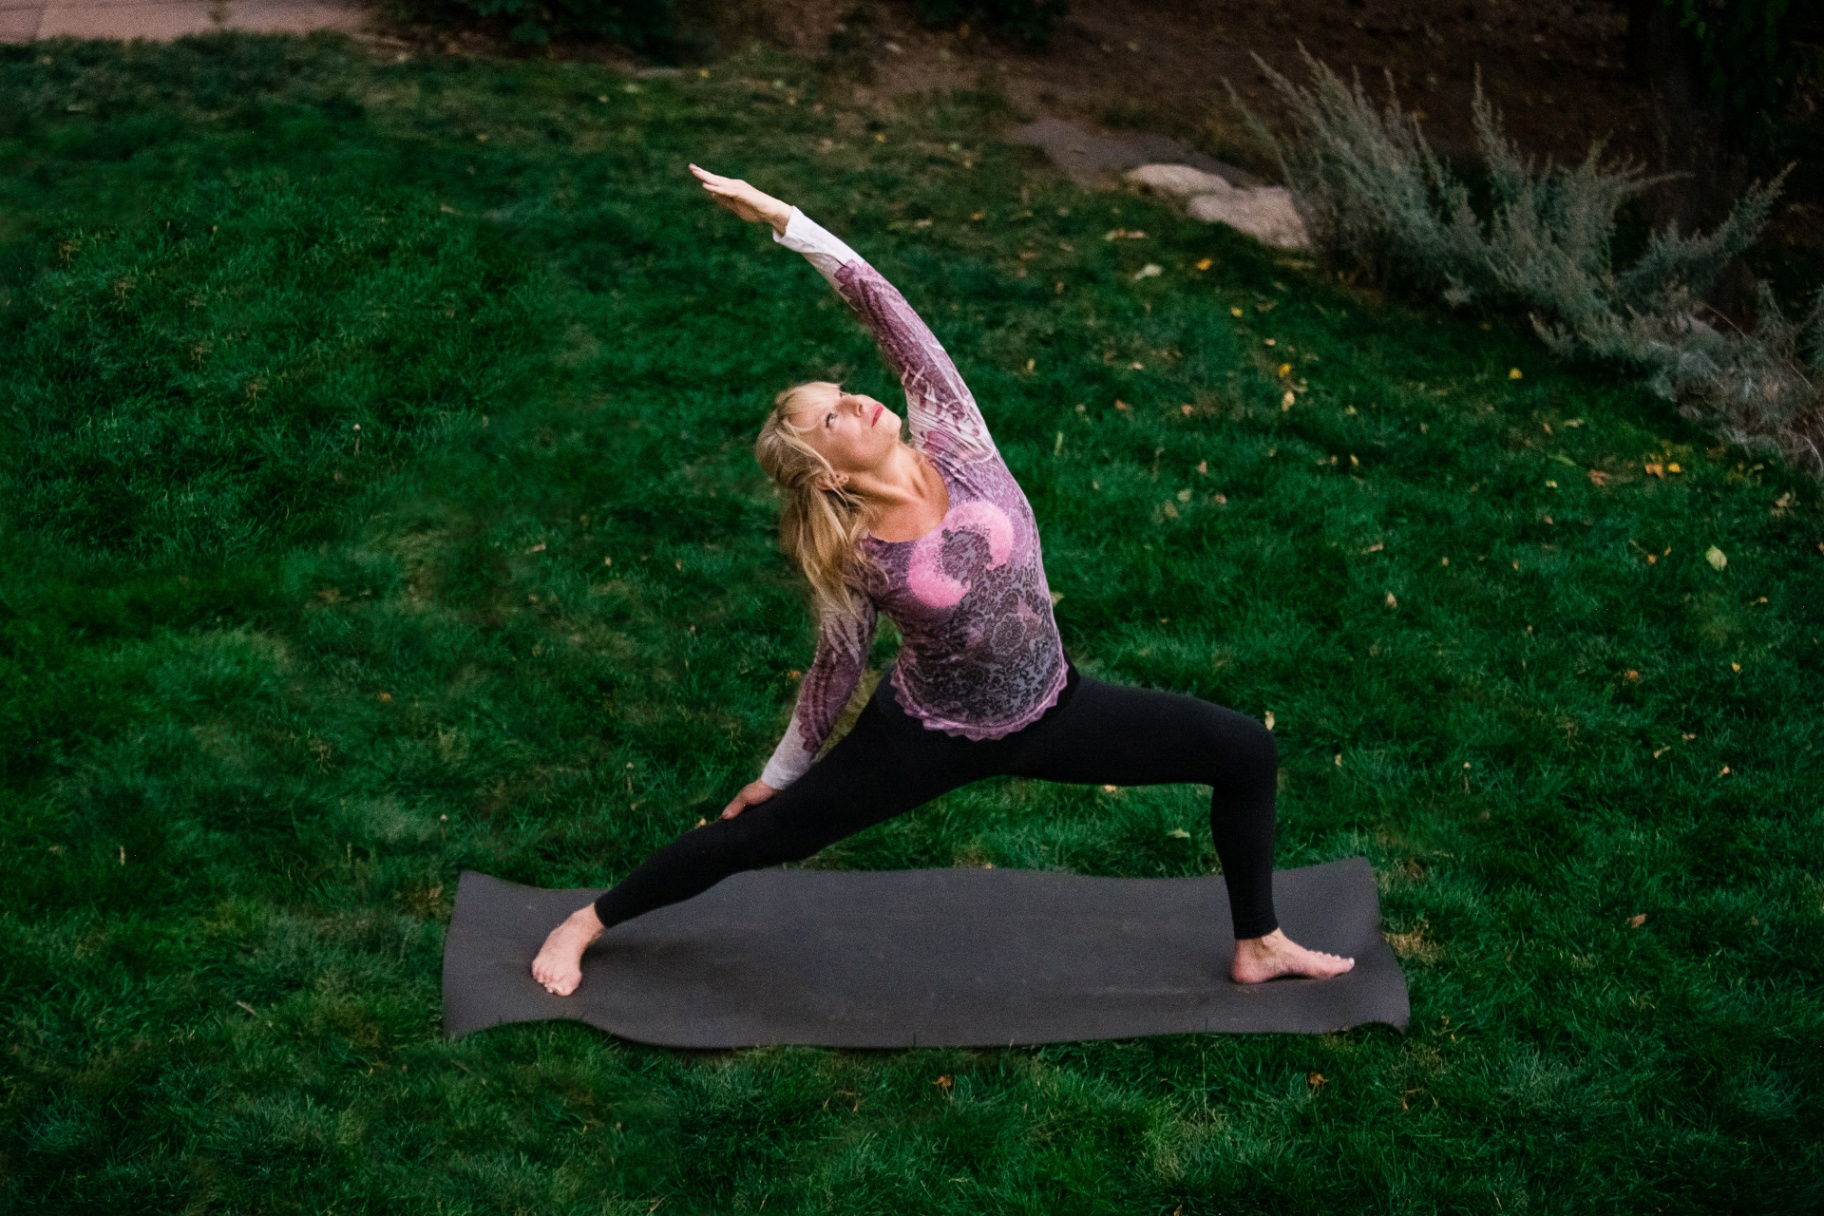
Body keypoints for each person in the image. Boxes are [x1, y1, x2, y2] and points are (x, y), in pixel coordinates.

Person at [531, 165, 1355, 997]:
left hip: (1054, 707)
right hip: (928, 734)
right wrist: (781, 776)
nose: (856, 403)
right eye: (833, 416)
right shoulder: (854, 552)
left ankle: (1259, 941)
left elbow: (887, 310)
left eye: (846, 392)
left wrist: (786, 217)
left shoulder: (953, 434)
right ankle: (588, 921)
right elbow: (835, 673)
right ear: (825, 473)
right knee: (763, 835)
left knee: (1245, 750)